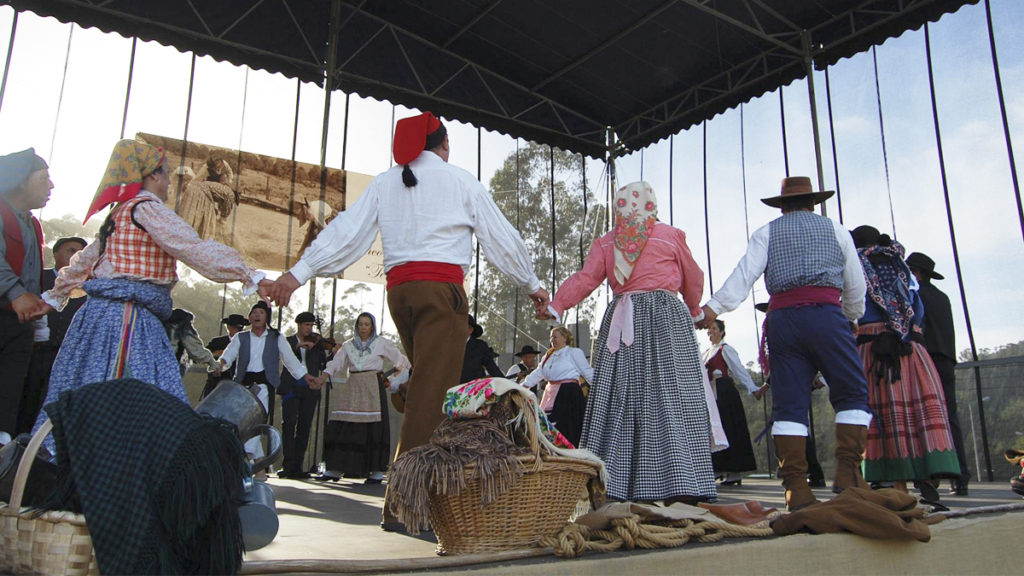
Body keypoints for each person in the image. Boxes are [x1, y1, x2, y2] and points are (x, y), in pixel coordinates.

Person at [259, 111, 549, 529]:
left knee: (426, 387)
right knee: (433, 397)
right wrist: (532, 284)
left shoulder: (385, 182)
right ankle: (405, 504)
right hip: (441, 293)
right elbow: (501, 238)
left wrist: (298, 273)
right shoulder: (460, 181)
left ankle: (414, 427)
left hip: (401, 295)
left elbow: (346, 232)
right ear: (444, 145)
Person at [32, 140, 263, 453]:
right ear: (154, 176)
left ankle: (59, 460)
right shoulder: (147, 208)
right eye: (166, 174)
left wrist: (52, 296)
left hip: (96, 320)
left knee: (82, 387)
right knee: (143, 397)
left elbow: (86, 261)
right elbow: (192, 247)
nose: (169, 183)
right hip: (128, 321)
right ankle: (129, 464)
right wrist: (251, 275)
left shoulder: (120, 212)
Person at [698, 176, 870, 511]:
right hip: (826, 316)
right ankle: (848, 474)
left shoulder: (766, 233)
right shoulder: (837, 231)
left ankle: (796, 489)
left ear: (782, 206)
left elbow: (743, 276)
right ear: (813, 203)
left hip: (783, 322)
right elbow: (855, 286)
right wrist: (851, 316)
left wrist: (713, 308)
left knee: (789, 404)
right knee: (852, 392)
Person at [543, 181, 719, 505]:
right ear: (652, 204)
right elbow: (693, 276)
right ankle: (680, 480)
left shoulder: (607, 242)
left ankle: (619, 481)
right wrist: (694, 309)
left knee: (621, 396)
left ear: (618, 207)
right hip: (667, 319)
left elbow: (585, 279)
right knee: (672, 394)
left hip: (625, 320)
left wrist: (558, 305)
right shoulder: (670, 235)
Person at [851, 226, 960, 504]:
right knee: (914, 411)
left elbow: (851, 311)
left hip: (874, 348)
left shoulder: (856, 269)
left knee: (885, 413)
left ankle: (896, 486)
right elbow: (917, 311)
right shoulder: (901, 268)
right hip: (911, 350)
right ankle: (927, 480)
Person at [218, 301, 317, 460]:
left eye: (261, 313)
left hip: (264, 386)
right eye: (254, 312)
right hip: (243, 387)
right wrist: (220, 365)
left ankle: (246, 457)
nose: (257, 315)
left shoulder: (276, 337)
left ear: (267, 318)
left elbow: (290, 360)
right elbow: (228, 356)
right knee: (242, 423)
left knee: (256, 421)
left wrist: (305, 376)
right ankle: (259, 466)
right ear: (250, 317)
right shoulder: (241, 337)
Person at [906, 251, 971, 496]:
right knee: (950, 417)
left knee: (921, 416)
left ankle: (926, 476)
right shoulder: (942, 297)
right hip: (947, 359)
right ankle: (961, 477)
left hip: (926, 359)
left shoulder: (915, 295)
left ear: (916, 273)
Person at [321, 312, 410, 483]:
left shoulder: (381, 343)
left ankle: (376, 471)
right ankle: (335, 469)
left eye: (367, 324)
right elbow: (336, 363)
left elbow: (401, 361)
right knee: (344, 423)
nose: (363, 327)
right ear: (357, 326)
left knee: (373, 426)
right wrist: (323, 377)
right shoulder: (348, 345)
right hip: (353, 385)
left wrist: (394, 379)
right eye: (360, 324)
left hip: (372, 386)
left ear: (372, 326)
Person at [0, 148, 51, 445]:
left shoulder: (32, 224)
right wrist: (15, 293)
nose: (51, 186)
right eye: (44, 178)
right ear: (21, 180)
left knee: (8, 397)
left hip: (18, 325)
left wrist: (37, 315)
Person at [753, 302, 827, 487]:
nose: (767, 314)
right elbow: (779, 363)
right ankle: (799, 470)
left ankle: (809, 472)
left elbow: (804, 352)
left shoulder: (791, 327)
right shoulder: (775, 330)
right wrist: (765, 386)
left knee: (794, 425)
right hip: (785, 381)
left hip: (797, 380)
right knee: (789, 425)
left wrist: (816, 375)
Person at [17, 236, 85, 434]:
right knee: (25, 394)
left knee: (48, 402)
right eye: (71, 250)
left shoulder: (85, 288)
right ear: (55, 253)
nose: (75, 256)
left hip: (63, 356)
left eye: (80, 252)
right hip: (34, 350)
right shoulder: (38, 279)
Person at [703, 319, 758, 486]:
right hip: (712, 395)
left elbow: (738, 369)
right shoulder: (707, 352)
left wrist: (752, 388)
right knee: (715, 430)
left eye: (714, 328)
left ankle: (734, 471)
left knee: (730, 429)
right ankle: (718, 467)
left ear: (721, 332)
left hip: (725, 393)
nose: (711, 332)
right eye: (709, 329)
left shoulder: (725, 350)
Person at [521, 326, 592, 448]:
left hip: (568, 395)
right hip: (550, 394)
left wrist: (602, 388)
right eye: (551, 337)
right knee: (547, 426)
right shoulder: (548, 356)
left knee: (566, 428)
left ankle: (568, 451)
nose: (552, 340)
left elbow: (587, 372)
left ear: (565, 338)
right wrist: (522, 386)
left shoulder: (574, 353)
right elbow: (537, 373)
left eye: (555, 337)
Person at [278, 311, 328, 479]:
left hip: (310, 388)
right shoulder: (288, 342)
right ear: (299, 325)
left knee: (305, 426)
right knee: (289, 424)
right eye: (306, 325)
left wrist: (333, 353)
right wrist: (298, 347)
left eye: (311, 325)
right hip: (291, 387)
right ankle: (287, 465)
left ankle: (298, 466)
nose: (309, 329)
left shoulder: (317, 343)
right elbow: (283, 356)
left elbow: (323, 364)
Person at [200, 313, 249, 399]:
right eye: (234, 327)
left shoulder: (248, 344)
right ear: (228, 327)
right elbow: (202, 356)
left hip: (237, 388)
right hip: (215, 386)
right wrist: (217, 356)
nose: (237, 330)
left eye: (240, 328)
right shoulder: (217, 342)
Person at [165, 308, 220, 377]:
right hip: (169, 366)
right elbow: (195, 349)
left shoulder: (154, 319)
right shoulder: (180, 321)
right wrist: (212, 363)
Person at [460, 314, 503, 383]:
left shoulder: (480, 346)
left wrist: (504, 382)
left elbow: (492, 367)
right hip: (452, 386)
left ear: (470, 330)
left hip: (475, 386)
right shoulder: (449, 345)